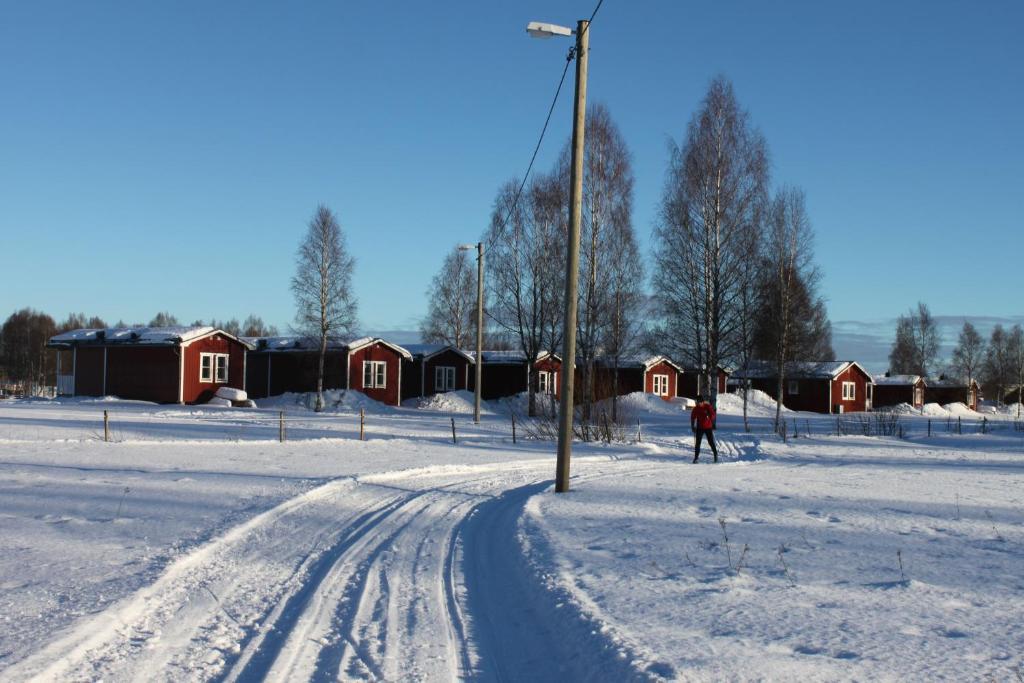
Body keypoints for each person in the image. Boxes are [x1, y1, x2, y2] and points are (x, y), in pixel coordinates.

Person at [690, 395, 718, 463]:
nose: (697, 403)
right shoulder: (696, 408)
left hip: (708, 427)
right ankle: (696, 458)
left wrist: (709, 415)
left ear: (702, 402)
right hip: (699, 428)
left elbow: (713, 415)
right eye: (696, 402)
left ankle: (715, 455)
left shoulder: (707, 406)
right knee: (697, 443)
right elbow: (693, 417)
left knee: (711, 442)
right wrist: (692, 426)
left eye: (698, 402)